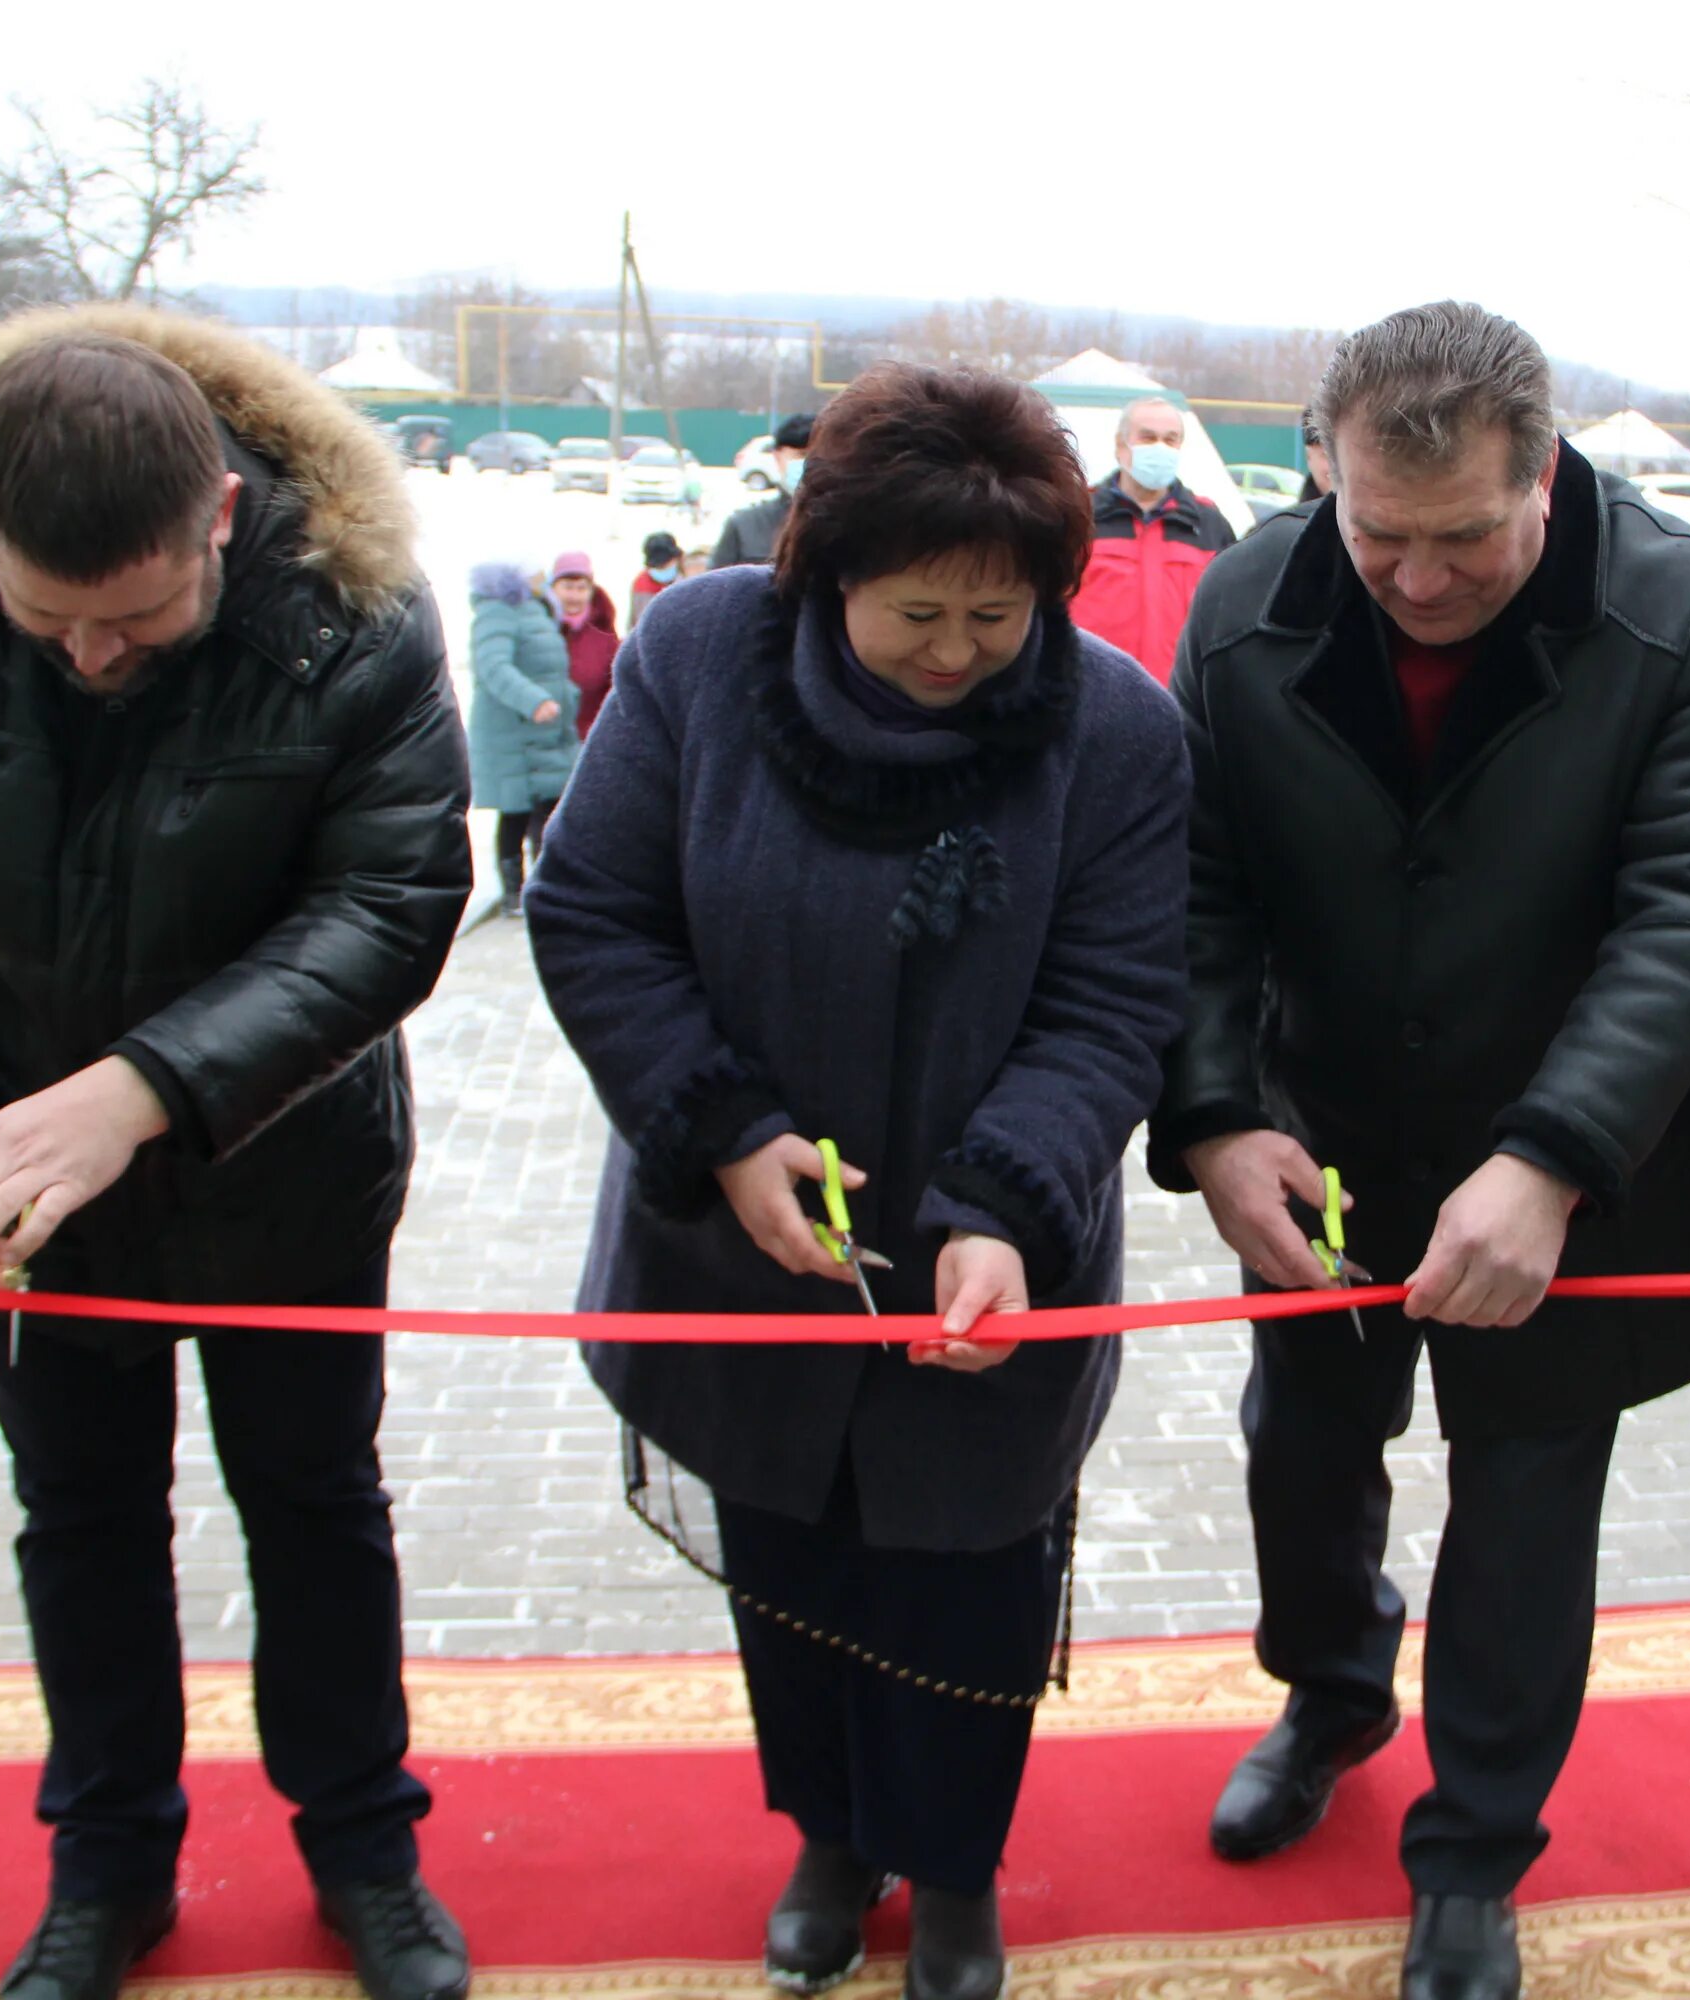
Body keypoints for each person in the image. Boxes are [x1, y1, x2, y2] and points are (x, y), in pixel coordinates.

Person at [0, 307, 473, 2000]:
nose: (92, 658)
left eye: (136, 617)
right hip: (10, 1168)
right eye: (45, 616)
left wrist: (142, 1087)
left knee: (316, 1505)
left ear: (219, 514)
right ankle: (109, 1864)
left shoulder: (346, 602)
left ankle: (364, 1848)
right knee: (78, 1514)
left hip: (283, 1150)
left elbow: (390, 904)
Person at [524, 363, 1187, 2000]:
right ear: (827, 572)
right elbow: (597, 913)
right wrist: (730, 1133)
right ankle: (830, 1831)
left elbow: (1113, 1004)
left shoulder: (1115, 730)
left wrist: (1001, 1209)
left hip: (995, 1258)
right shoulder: (695, 658)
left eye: (998, 615)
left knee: (967, 1574)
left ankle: (952, 1872)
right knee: (793, 1558)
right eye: (917, 615)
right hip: (745, 1233)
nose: (958, 654)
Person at [1149, 300, 1690, 2000]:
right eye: (1379, 537)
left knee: (1523, 1513)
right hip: (1321, 1136)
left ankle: (1476, 1852)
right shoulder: (1239, 605)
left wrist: (1558, 1154)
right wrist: (1215, 1118)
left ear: (1549, 474)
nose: (1417, 583)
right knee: (1301, 1452)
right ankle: (1331, 1688)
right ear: (1322, 480)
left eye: (1464, 542)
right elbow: (1197, 893)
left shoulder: (1688, 609)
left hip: (1578, 1149)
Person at [1068, 393, 1236, 682]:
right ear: (1121, 446)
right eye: (1148, 438)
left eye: (1170, 440)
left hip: (1179, 700)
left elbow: (1230, 616)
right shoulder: (1078, 517)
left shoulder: (1209, 525)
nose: (1160, 447)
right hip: (1091, 694)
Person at [468, 559, 584, 919]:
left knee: (548, 810)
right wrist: (532, 700)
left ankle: (546, 887)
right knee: (516, 813)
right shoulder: (497, 612)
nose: (541, 577)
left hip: (547, 730)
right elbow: (492, 666)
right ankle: (514, 894)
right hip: (515, 732)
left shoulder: (534, 608)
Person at [711, 410, 815, 568]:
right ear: (777, 456)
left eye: (815, 455)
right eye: (800, 454)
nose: (808, 463)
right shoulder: (744, 526)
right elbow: (715, 587)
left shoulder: (846, 525)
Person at [551, 548, 622, 742]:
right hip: (542, 742)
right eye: (567, 587)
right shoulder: (537, 629)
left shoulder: (605, 637)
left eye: (581, 588)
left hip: (588, 739)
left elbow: (616, 692)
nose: (574, 596)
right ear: (553, 588)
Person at [628, 529, 683, 629]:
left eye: (665, 565)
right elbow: (635, 623)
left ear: (676, 558)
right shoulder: (641, 585)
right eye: (658, 566)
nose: (662, 569)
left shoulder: (688, 578)